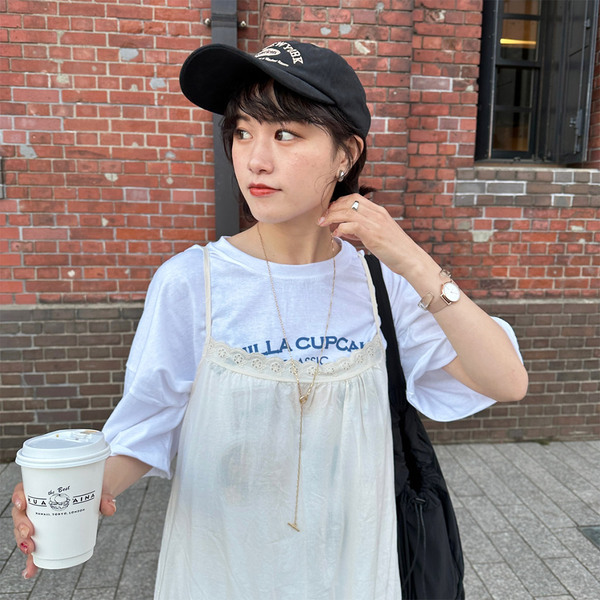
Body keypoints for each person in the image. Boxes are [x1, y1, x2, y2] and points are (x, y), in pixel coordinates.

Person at [13, 40, 528, 598]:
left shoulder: (383, 283)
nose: (256, 159)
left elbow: (506, 381)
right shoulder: (193, 281)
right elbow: (146, 428)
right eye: (243, 132)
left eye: (285, 134)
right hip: (225, 572)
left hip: (353, 571)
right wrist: (79, 492)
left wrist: (410, 259)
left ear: (346, 153)